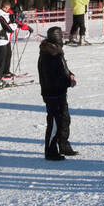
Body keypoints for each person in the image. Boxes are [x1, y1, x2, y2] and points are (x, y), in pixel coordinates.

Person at [37, 27, 78, 160]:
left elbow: (63, 68)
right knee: (55, 122)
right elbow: (53, 77)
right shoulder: (50, 54)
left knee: (65, 119)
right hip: (52, 93)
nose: (62, 38)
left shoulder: (56, 51)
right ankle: (50, 151)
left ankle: (63, 145)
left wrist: (70, 75)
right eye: (60, 36)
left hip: (60, 92)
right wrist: (68, 82)